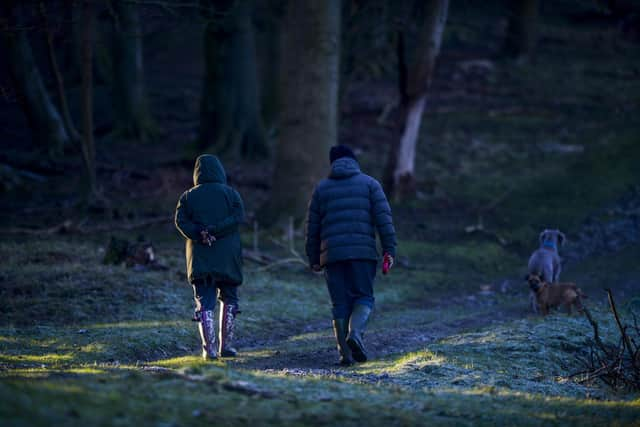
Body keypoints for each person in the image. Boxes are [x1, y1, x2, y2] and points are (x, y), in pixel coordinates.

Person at [305, 145, 397, 365]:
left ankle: (345, 355)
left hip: (333, 256)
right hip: (363, 254)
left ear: (332, 163)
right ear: (354, 161)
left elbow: (313, 228)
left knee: (340, 303)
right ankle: (355, 333)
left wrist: (313, 258)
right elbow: (384, 220)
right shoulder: (370, 184)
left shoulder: (321, 189)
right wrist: (389, 249)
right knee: (363, 297)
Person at [175, 154, 245, 360]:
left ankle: (210, 349)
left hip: (200, 256)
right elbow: (238, 217)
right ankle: (227, 346)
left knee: (203, 301)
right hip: (228, 256)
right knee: (230, 298)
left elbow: (180, 221)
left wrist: (200, 233)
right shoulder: (231, 194)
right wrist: (217, 230)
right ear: (220, 171)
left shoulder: (187, 196)